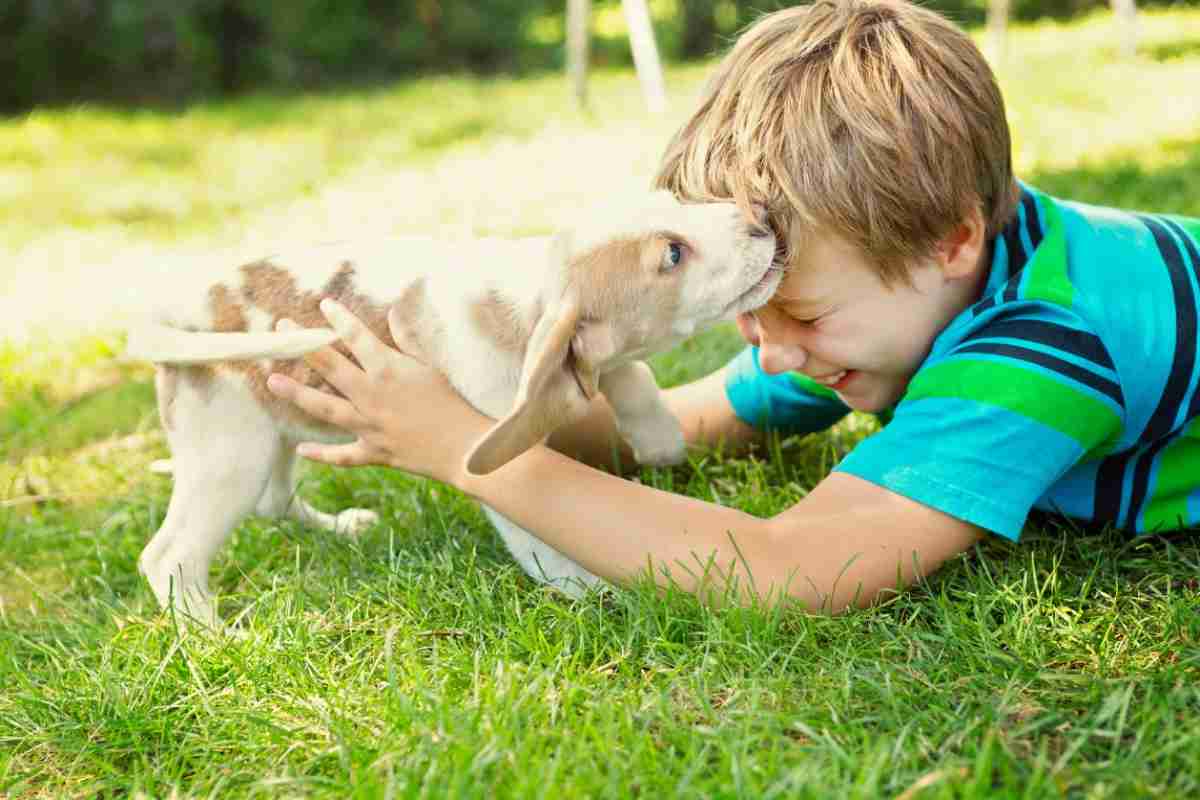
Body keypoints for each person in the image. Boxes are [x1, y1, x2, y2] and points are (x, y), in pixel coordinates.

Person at [266, 0, 1200, 613]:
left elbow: (793, 570)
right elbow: (679, 425)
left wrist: (465, 463)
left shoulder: (1040, 347)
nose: (774, 351)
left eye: (801, 315)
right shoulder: (894, 288)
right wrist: (478, 401)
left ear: (951, 241)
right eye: (753, 310)